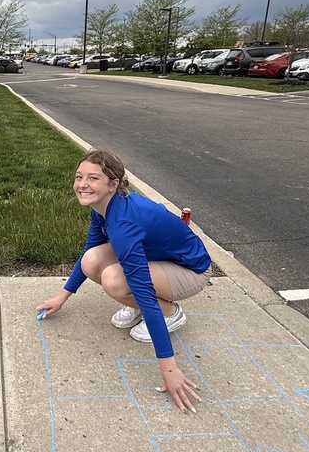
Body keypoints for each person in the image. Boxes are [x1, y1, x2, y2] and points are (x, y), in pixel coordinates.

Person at [37, 149, 212, 412]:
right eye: (79, 176)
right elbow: (91, 249)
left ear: (113, 184)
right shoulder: (103, 207)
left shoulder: (123, 223)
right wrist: (62, 296)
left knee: (115, 279)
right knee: (92, 260)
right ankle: (140, 307)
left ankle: (171, 313)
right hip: (160, 258)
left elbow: (141, 287)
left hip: (191, 270)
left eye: (93, 178)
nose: (83, 185)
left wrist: (169, 367)